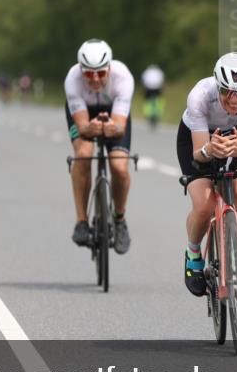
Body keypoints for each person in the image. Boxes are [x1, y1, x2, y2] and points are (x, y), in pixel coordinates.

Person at [177, 52, 237, 302]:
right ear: (218, 86)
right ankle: (193, 254)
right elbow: (198, 153)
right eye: (227, 91)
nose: (234, 99)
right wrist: (209, 150)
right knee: (204, 205)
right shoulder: (199, 96)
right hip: (197, 139)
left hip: (236, 135)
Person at [64, 39, 135, 254]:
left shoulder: (123, 77)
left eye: (101, 73)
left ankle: (119, 219)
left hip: (114, 113)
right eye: (89, 73)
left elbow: (119, 128)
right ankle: (81, 221)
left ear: (109, 68)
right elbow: (83, 127)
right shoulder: (72, 79)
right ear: (81, 70)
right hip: (84, 114)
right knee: (83, 155)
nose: (95, 79)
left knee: (119, 167)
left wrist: (111, 128)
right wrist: (89, 128)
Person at [141, 64, 165, 129]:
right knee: (159, 99)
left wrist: (143, 90)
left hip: (148, 88)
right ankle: (159, 112)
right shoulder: (159, 72)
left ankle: (147, 113)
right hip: (157, 88)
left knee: (146, 100)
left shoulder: (147, 71)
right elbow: (162, 81)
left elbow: (143, 81)